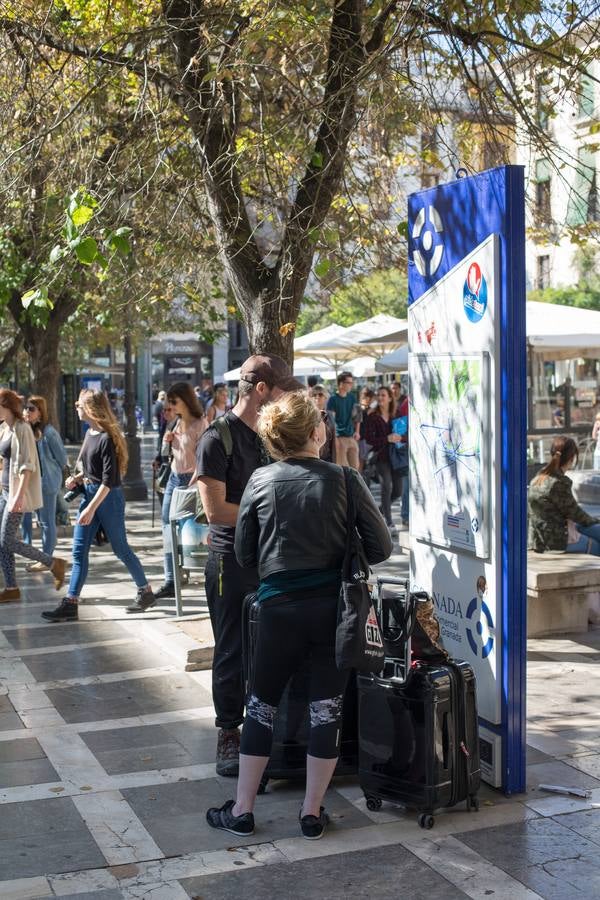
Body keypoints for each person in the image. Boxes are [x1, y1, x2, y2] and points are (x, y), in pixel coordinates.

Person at [206, 391, 392, 839]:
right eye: (322, 424)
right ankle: (311, 814)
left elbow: (246, 552)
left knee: (261, 706)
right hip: (333, 611)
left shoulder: (259, 481)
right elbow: (381, 547)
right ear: (314, 433)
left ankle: (243, 809)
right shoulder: (346, 479)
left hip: (276, 610)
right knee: (326, 708)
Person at [196, 354, 303, 776]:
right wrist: (270, 511)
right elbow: (215, 510)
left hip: (275, 556)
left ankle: (271, 727)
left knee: (276, 644)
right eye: (280, 392)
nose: (285, 399)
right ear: (261, 389)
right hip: (231, 559)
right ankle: (228, 731)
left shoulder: (274, 435)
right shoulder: (216, 438)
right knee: (232, 648)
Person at [41, 390, 155, 622]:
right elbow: (93, 470)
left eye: (79, 404)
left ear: (90, 408)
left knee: (120, 548)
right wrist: (78, 478)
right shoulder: (90, 433)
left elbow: (109, 480)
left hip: (108, 498)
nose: (76, 407)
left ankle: (145, 591)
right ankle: (71, 602)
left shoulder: (106, 438)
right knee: (78, 551)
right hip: (92, 494)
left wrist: (91, 508)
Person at [141, 382, 207, 607]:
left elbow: (204, 458)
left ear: (185, 400)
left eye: (174, 401)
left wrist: (195, 481)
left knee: (191, 531)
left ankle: (190, 572)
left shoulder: (200, 424)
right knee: (168, 527)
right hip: (173, 478)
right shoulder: (176, 422)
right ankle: (171, 579)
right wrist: (167, 443)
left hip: (191, 481)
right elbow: (173, 454)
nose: (170, 406)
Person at [0, 389, 66, 603]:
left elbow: (28, 465)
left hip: (16, 493)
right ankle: (11, 587)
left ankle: (52, 562)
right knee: (2, 543)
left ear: (7, 406)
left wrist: (18, 496)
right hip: (4, 491)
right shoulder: (4, 429)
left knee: (6, 540)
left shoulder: (22, 429)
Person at [528, 436, 600, 555]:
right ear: (572, 457)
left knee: (588, 528)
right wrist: (596, 521)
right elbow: (576, 514)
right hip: (555, 542)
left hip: (538, 539)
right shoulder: (559, 482)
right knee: (596, 545)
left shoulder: (538, 477)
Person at [21, 396, 68, 564]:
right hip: (30, 484)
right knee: (32, 520)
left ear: (40, 412)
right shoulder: (26, 431)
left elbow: (62, 459)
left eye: (31, 408)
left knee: (46, 521)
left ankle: (46, 559)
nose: (26, 411)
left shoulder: (49, 433)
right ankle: (35, 554)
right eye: (25, 408)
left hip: (47, 483)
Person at [365, 386, 403, 533]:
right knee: (386, 487)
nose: (380, 398)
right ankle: (389, 522)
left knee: (398, 491)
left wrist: (400, 437)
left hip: (396, 457)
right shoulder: (373, 416)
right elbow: (369, 439)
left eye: (383, 395)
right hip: (381, 457)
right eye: (378, 395)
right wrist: (386, 438)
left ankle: (380, 511)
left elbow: (405, 434)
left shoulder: (397, 414)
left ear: (390, 398)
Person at [327, 371, 360, 469]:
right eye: (349, 382)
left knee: (355, 469)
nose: (351, 385)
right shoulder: (332, 399)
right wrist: (335, 439)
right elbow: (331, 421)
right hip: (339, 438)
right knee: (343, 469)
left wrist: (357, 432)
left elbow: (358, 415)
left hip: (351, 436)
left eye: (352, 382)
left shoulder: (352, 397)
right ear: (341, 383)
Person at [309, 384, 336, 462]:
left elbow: (333, 439)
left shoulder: (330, 415)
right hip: (312, 457)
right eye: (314, 395)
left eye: (320, 394)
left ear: (325, 397)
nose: (317, 397)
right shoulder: (307, 416)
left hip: (328, 456)